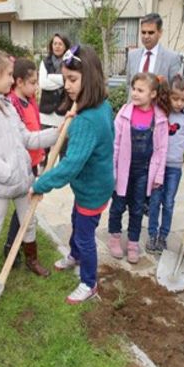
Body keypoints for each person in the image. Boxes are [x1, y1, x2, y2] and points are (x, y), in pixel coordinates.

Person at [0, 51, 59, 292]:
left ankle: (31, 260)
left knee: (29, 221)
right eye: (8, 75)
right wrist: (6, 173)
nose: (12, 79)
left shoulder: (7, 104)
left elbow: (25, 137)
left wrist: (57, 133)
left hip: (21, 180)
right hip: (2, 182)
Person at [31, 45, 115, 304]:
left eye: (72, 79)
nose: (66, 85)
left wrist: (41, 183)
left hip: (92, 189)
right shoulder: (101, 107)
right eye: (65, 78)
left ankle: (89, 282)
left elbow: (69, 167)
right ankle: (75, 255)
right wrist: (76, 112)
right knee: (77, 221)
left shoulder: (86, 122)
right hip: (96, 184)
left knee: (84, 234)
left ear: (88, 79)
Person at [108, 72, 170, 264]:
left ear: (152, 94)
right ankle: (115, 237)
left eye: (140, 90)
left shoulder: (159, 119)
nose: (134, 93)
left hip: (144, 172)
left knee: (136, 209)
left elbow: (161, 150)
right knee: (118, 205)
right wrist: (113, 171)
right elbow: (115, 144)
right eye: (133, 89)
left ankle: (133, 242)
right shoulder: (124, 114)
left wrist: (158, 175)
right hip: (123, 170)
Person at [147, 75, 184, 253]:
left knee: (168, 202)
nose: (179, 103)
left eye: (183, 99)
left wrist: (177, 153)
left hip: (174, 166)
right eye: (175, 98)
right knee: (155, 200)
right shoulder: (160, 112)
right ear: (168, 95)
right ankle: (152, 234)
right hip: (158, 164)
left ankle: (163, 236)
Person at [4, 57, 45, 266]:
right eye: (32, 82)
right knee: (24, 205)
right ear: (19, 82)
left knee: (28, 205)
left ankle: (20, 243)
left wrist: (41, 153)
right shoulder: (12, 104)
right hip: (22, 164)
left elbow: (35, 127)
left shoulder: (31, 101)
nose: (35, 86)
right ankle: (11, 245)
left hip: (33, 161)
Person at [126, 13, 181, 81]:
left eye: (150, 32)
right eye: (143, 32)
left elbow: (175, 88)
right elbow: (129, 84)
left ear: (160, 32)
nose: (146, 36)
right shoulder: (132, 56)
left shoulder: (172, 58)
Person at [38, 33, 71, 128]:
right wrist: (62, 79)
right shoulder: (45, 62)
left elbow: (69, 81)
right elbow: (43, 83)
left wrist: (50, 77)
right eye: (55, 43)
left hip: (63, 113)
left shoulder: (70, 62)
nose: (57, 46)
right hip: (46, 115)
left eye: (60, 44)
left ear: (65, 46)